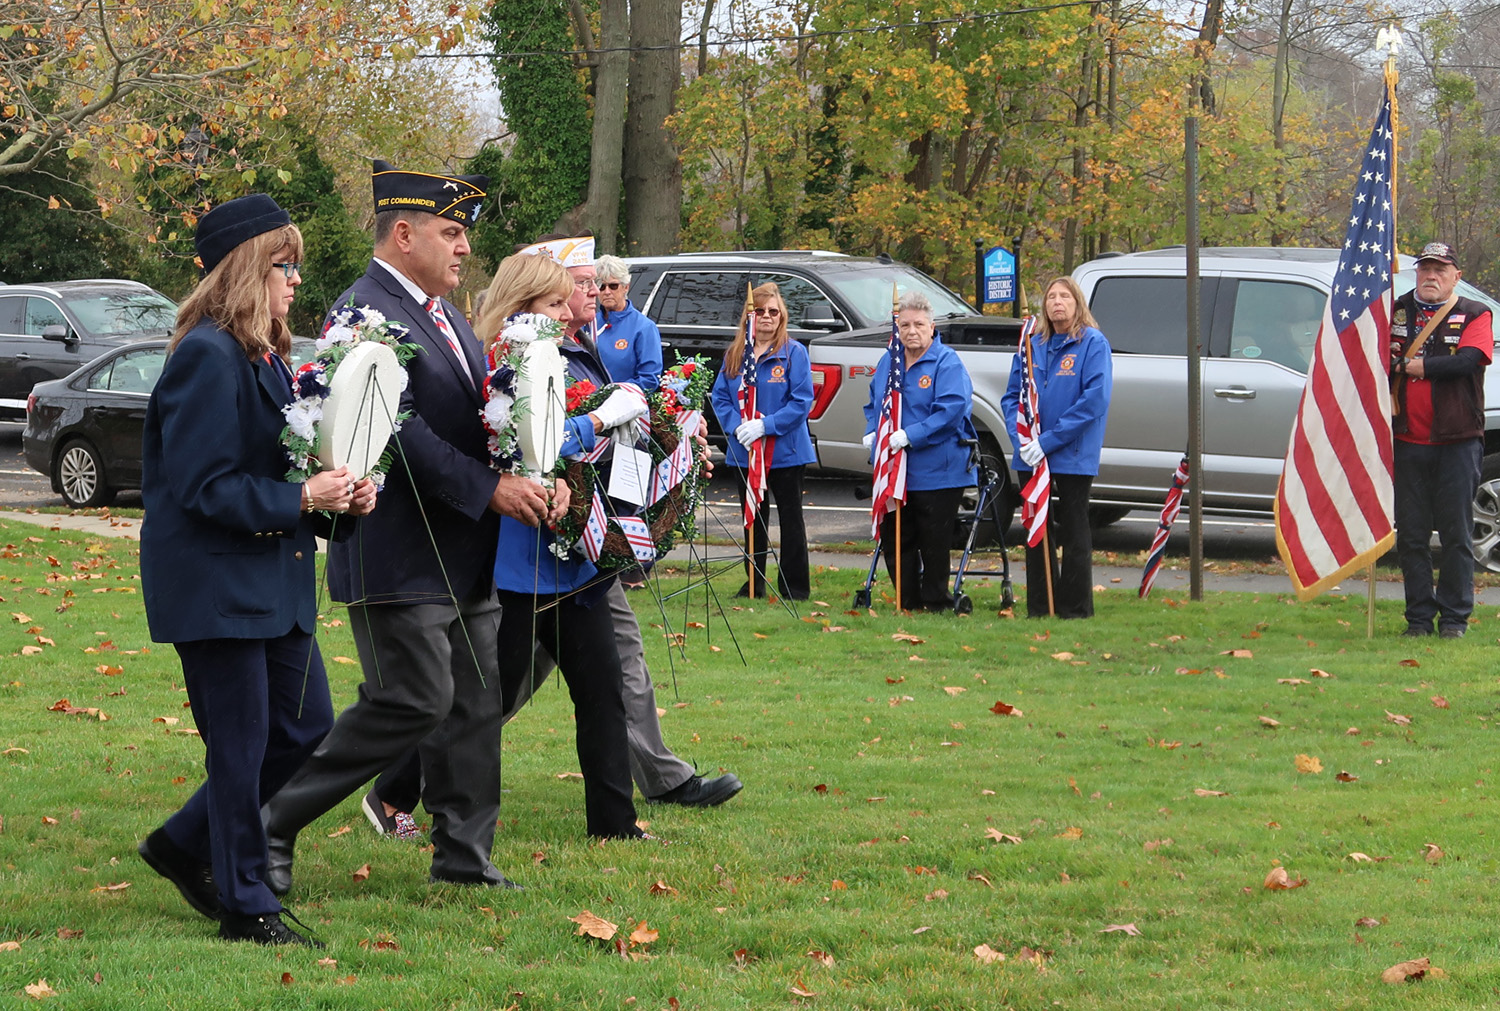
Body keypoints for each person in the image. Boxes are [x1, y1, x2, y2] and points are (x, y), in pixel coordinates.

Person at [362, 239, 741, 838]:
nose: (572, 311)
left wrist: (667, 443)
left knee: (603, 689)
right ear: (523, 302)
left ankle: (614, 821)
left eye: (574, 298)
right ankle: (395, 791)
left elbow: (594, 441)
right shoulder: (505, 360)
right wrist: (598, 419)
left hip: (577, 555)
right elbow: (528, 443)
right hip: (519, 561)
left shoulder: (566, 349)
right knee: (488, 699)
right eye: (557, 300)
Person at [261, 160, 566, 895]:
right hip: (397, 554)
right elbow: (399, 429)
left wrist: (529, 470)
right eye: (450, 232)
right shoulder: (358, 311)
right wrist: (490, 488)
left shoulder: (444, 312)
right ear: (403, 234)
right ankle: (267, 820)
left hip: (462, 551)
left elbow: (473, 418)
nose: (464, 248)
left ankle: (464, 854)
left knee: (474, 703)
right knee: (413, 699)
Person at [135, 194, 375, 946]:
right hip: (217, 587)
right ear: (247, 268)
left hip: (269, 583)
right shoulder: (205, 354)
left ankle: (182, 841)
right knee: (237, 749)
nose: (297, 279)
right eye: (285, 264)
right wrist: (303, 493)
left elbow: (286, 467)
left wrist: (339, 494)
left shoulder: (262, 353)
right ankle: (246, 906)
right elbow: (204, 487)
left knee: (306, 730)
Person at [1389, 241, 1494, 638]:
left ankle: (1454, 619)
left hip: (1458, 441)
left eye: (1440, 270)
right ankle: (1418, 619)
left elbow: (1469, 359)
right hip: (1408, 441)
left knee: (1456, 536)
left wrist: (1417, 366)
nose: (1431, 276)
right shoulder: (1396, 309)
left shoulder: (1474, 313)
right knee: (1412, 537)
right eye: (1425, 269)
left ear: (1456, 277)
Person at [1001, 276, 1112, 619]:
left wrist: (1047, 442)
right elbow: (1011, 397)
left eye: (1064, 296)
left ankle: (1075, 607)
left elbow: (1094, 400)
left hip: (1072, 453)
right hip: (1031, 454)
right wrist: (1021, 438)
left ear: (1078, 303)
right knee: (1036, 527)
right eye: (1051, 297)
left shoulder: (1093, 343)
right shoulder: (1032, 345)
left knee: (1075, 527)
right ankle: (1041, 603)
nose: (1057, 302)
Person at [860, 292, 977, 611]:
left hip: (938, 469)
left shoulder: (946, 361)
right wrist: (874, 428)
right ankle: (907, 599)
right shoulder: (889, 361)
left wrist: (910, 435)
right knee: (897, 537)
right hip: (894, 471)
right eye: (905, 325)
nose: (912, 331)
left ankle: (936, 600)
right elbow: (874, 402)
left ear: (932, 325)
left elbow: (951, 410)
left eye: (919, 324)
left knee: (933, 541)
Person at [710, 282, 815, 600]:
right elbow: (720, 398)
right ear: (749, 316)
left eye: (773, 311)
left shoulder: (793, 353)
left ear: (781, 316)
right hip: (746, 453)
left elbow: (801, 402)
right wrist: (738, 425)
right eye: (760, 311)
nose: (767, 317)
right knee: (752, 520)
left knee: (791, 519)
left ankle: (794, 587)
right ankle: (754, 583)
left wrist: (766, 426)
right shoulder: (735, 355)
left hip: (785, 452)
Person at [594, 253, 663, 392]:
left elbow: (649, 379)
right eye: (601, 286)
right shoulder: (589, 323)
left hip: (625, 406)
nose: (607, 292)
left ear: (626, 287)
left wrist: (611, 393)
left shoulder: (644, 327)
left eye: (613, 286)